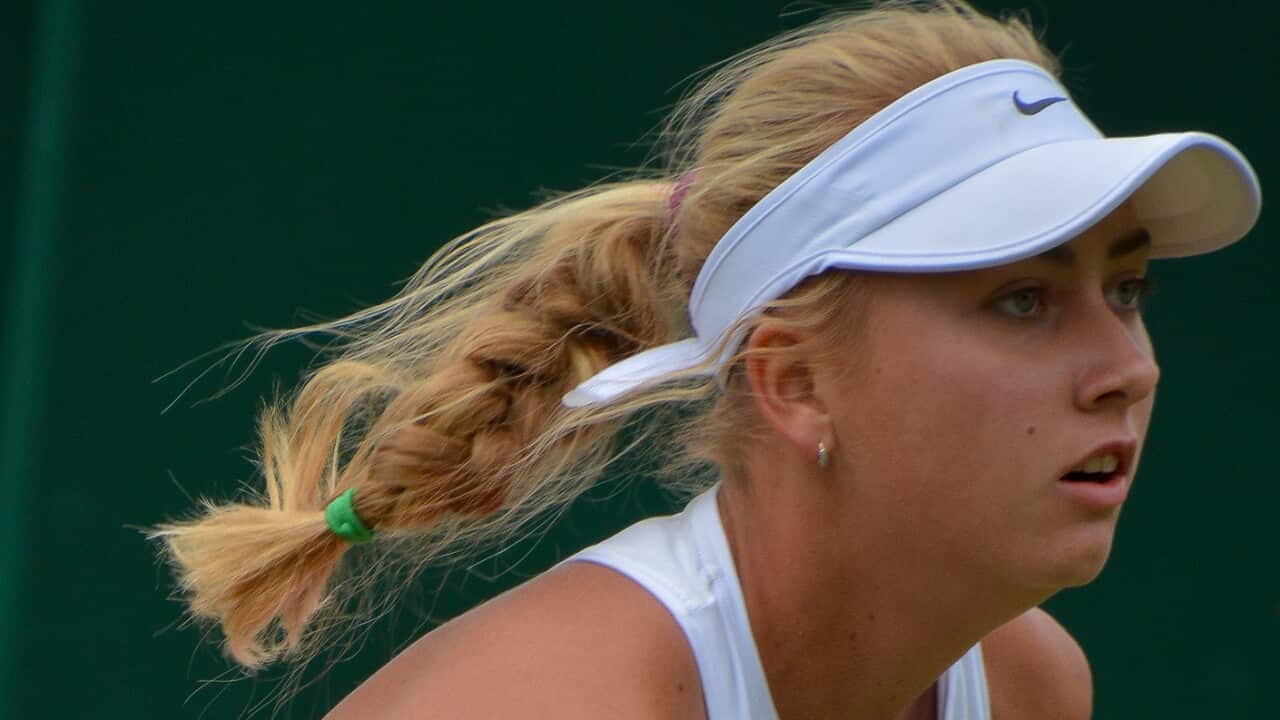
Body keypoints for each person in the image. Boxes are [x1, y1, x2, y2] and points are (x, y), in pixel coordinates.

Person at [148, 1, 1262, 718]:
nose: (1125, 365)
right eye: (1020, 297)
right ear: (793, 382)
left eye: (1125, 289)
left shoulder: (1027, 684)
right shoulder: (554, 706)